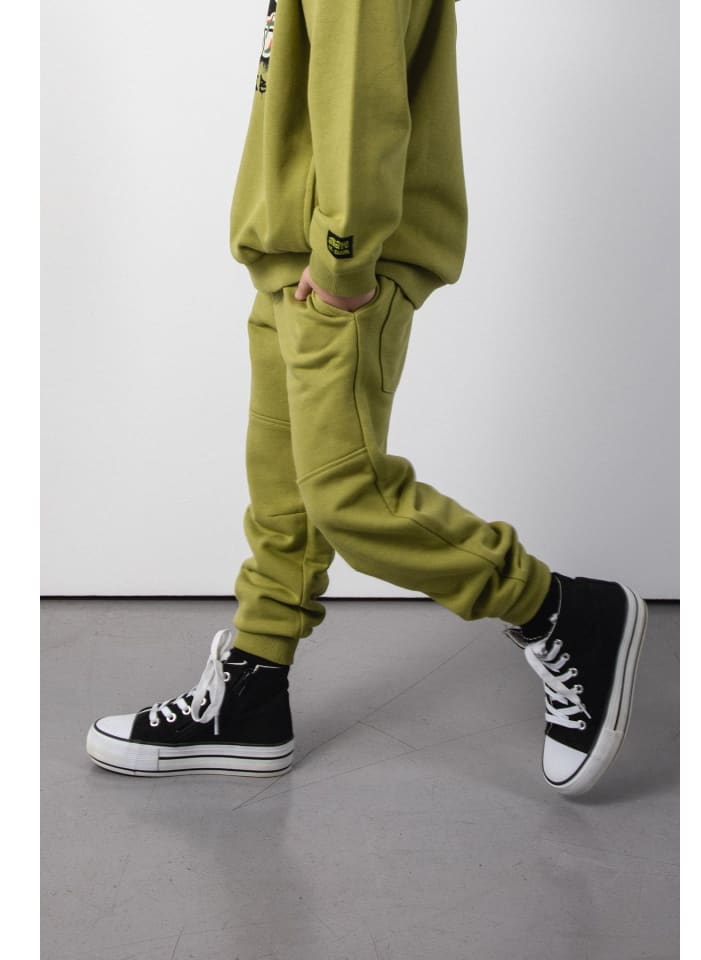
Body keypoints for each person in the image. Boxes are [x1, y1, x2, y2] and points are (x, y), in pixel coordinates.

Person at [86, 0, 647, 797]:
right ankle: (250, 693)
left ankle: (564, 612)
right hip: (293, 262)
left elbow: (361, 101)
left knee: (348, 495)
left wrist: (342, 261)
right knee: (284, 504)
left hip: (338, 272)